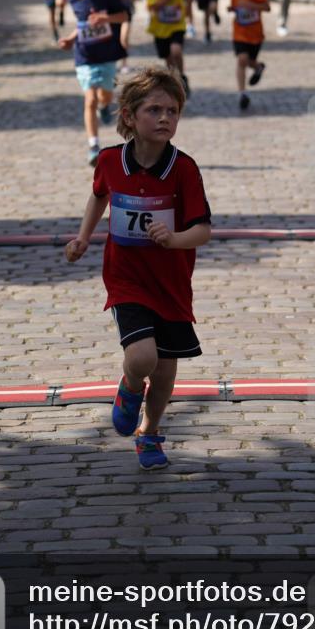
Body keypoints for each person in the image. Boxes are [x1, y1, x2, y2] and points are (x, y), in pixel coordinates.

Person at [65, 67, 211, 469]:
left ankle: (149, 433)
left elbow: (202, 230)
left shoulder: (184, 169)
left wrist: (174, 239)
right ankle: (129, 387)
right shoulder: (111, 160)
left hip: (171, 282)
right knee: (143, 358)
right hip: (126, 277)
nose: (166, 118)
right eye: (154, 110)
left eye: (173, 111)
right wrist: (83, 238)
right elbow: (99, 196)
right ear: (128, 116)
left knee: (165, 369)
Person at [58, 0, 128, 166]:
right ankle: (93, 145)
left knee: (104, 96)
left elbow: (124, 16)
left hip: (106, 56)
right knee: (90, 99)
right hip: (84, 57)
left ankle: (105, 106)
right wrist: (70, 39)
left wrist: (105, 19)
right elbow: (82, 26)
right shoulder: (74, 1)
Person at [146, 0, 194, 98]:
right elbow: (152, 6)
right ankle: (174, 79)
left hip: (177, 24)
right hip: (160, 27)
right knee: (167, 56)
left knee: (176, 50)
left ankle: (182, 77)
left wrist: (188, 5)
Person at [228, 0, 270, 110]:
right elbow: (235, 7)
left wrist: (251, 5)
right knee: (242, 59)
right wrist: (232, 9)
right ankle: (242, 93)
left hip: (255, 35)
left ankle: (258, 67)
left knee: (249, 61)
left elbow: (266, 7)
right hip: (239, 33)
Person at [110, 0, 140, 73]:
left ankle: (124, 62)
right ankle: (112, 61)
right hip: (112, 13)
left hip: (126, 11)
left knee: (124, 37)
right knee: (113, 38)